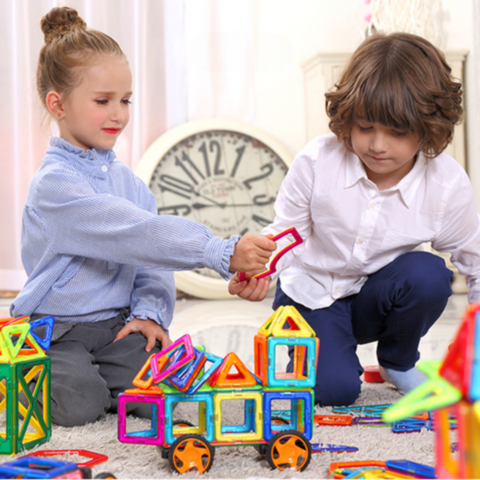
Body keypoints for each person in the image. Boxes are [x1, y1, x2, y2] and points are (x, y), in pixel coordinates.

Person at [10, 6, 276, 427]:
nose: (118, 114)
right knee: (81, 405)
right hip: (58, 331)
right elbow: (134, 233)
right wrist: (219, 251)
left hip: (116, 328)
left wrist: (149, 314)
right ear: (57, 104)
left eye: (125, 100)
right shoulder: (55, 185)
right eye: (103, 101)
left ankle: (112, 376)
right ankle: (30, 372)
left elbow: (151, 263)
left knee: (169, 385)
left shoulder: (130, 184)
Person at [229, 32, 478, 407]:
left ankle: (397, 361)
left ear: (430, 128)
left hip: (375, 298)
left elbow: (475, 262)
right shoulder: (317, 161)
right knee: (335, 391)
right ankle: (326, 353)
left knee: (429, 275)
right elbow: (286, 233)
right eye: (365, 127)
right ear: (348, 117)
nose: (377, 145)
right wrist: (260, 269)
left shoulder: (446, 185)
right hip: (311, 295)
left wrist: (475, 349)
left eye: (397, 132)